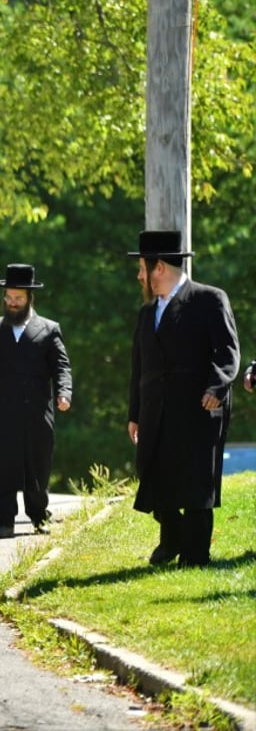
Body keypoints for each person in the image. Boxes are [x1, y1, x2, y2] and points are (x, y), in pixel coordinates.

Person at [126, 231, 240, 567]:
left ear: (158, 266)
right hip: (155, 410)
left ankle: (194, 554)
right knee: (152, 474)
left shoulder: (209, 299)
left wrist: (216, 387)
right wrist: (134, 412)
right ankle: (172, 534)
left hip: (199, 407)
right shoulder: (147, 313)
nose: (139, 276)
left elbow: (228, 350)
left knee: (195, 483)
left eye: (142, 268)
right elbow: (139, 366)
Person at [0, 263, 72, 539]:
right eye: (8, 298)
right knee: (4, 466)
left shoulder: (48, 329)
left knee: (38, 466)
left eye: (17, 299)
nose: (12, 303)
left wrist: (64, 392)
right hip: (1, 411)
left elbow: (61, 366)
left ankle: (38, 515)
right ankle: (5, 520)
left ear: (29, 299)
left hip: (37, 411)